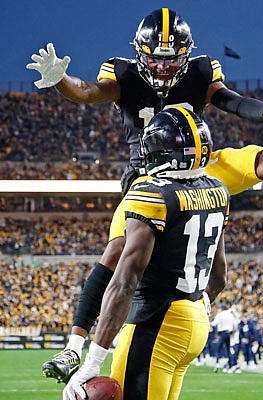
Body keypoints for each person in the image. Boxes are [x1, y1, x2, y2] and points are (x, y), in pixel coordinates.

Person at [27, 7, 263, 383]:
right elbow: (89, 91)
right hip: (147, 177)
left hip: (197, 167)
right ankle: (74, 347)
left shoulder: (201, 72)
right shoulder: (122, 72)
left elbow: (231, 100)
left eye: (171, 59)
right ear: (139, 53)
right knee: (115, 254)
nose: (161, 68)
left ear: (186, 55)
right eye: (154, 60)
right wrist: (63, 81)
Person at [62, 107, 230, 400]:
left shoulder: (152, 193)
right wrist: (198, 304)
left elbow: (124, 282)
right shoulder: (217, 189)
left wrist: (91, 364)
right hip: (195, 321)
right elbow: (219, 276)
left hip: (155, 324)